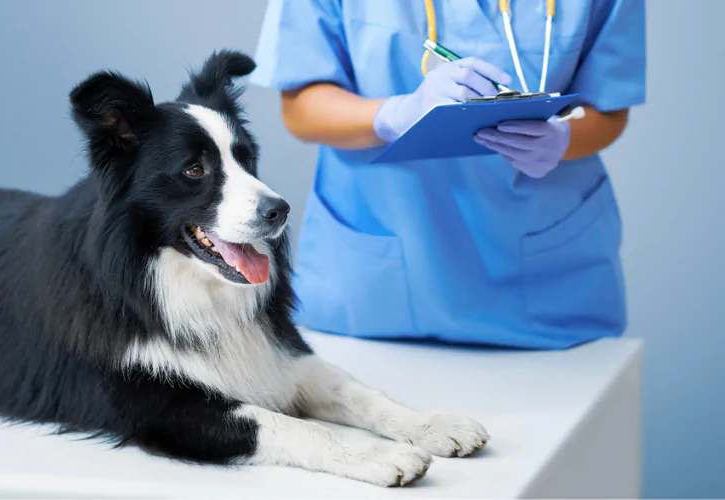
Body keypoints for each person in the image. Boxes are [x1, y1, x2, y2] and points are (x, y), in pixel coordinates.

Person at [249, 0, 645, 349]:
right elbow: (301, 106)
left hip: (548, 289)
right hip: (375, 281)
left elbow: (609, 107)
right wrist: (394, 114)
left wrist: (563, 138)